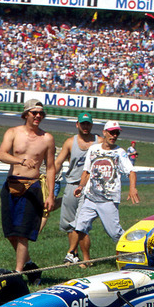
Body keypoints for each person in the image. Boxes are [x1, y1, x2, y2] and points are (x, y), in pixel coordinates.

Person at [0, 99, 56, 284]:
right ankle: (30, 266)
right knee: (11, 233)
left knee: (22, 233)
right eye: (34, 113)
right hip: (12, 184)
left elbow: (51, 167)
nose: (38, 116)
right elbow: (1, 154)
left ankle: (17, 273)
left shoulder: (47, 138)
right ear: (26, 114)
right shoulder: (13, 132)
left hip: (32, 186)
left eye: (41, 113)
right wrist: (20, 161)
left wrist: (51, 195)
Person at [72, 120, 139, 261]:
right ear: (104, 132)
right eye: (111, 132)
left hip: (108, 200)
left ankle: (135, 252)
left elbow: (131, 172)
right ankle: (86, 260)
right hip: (90, 197)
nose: (114, 135)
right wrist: (80, 186)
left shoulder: (120, 152)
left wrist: (132, 188)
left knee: (114, 233)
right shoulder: (93, 149)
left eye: (117, 133)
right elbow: (87, 171)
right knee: (80, 227)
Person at [54, 112, 101, 264]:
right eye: (83, 124)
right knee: (69, 225)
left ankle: (85, 258)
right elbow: (58, 162)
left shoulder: (99, 142)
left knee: (81, 223)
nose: (85, 127)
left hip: (90, 187)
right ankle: (74, 256)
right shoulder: (70, 142)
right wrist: (48, 179)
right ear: (77, 125)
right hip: (71, 185)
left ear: (92, 125)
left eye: (88, 124)